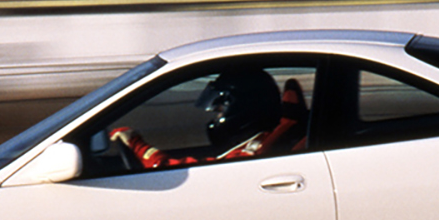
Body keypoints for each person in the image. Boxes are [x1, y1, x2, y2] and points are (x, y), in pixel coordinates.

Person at [109, 68, 307, 169]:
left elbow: (193, 173)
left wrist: (136, 144)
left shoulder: (258, 151)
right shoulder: (263, 141)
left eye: (220, 108)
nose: (216, 114)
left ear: (244, 106)